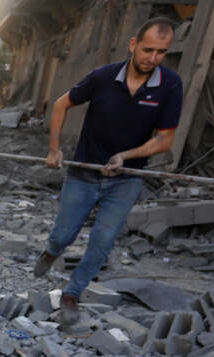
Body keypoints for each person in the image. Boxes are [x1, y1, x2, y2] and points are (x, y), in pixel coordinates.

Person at [33, 17, 183, 324]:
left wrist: (126, 156)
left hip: (126, 180)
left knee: (103, 240)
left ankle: (72, 293)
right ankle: (51, 251)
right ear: (133, 45)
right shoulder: (102, 77)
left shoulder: (169, 85)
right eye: (148, 49)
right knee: (63, 235)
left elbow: (165, 140)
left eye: (161, 52)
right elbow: (61, 104)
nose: (152, 58)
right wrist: (54, 148)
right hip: (84, 172)